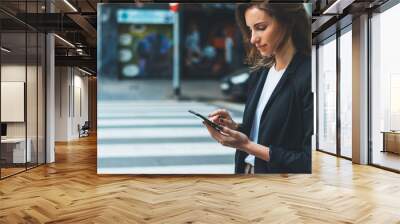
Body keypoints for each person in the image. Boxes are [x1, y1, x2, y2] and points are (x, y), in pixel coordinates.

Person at [203, 1, 312, 174]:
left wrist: (246, 145)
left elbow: (308, 161)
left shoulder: (309, 75)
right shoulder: (261, 72)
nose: (253, 38)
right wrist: (234, 128)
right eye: (250, 29)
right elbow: (261, 134)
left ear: (288, 21)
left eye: (261, 27)